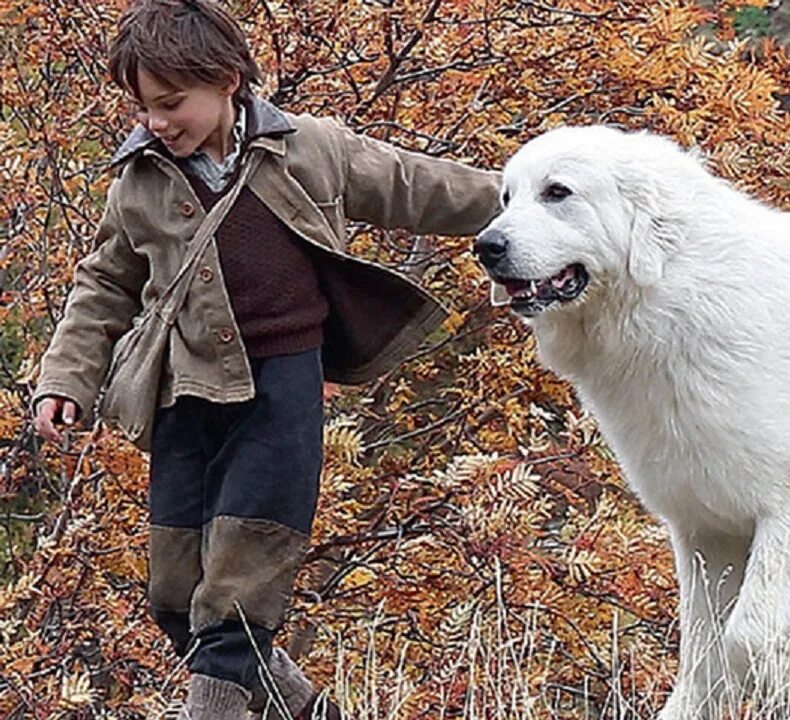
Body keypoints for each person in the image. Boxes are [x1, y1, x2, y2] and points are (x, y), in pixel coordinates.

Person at [29, 1, 501, 717]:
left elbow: (416, 186)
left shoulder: (312, 149)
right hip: (183, 399)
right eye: (142, 107)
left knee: (237, 597)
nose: (155, 122)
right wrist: (64, 380)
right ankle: (304, 709)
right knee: (175, 597)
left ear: (226, 80)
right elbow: (103, 287)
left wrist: (532, 197)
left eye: (169, 103)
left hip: (282, 390)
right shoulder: (139, 184)